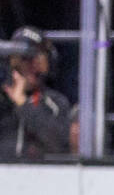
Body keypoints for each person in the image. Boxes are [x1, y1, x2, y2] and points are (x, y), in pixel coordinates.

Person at [0, 26, 71, 161]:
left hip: (38, 177)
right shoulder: (2, 100)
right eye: (24, 59)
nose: (32, 65)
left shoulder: (55, 103)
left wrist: (23, 103)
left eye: (37, 58)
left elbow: (57, 144)